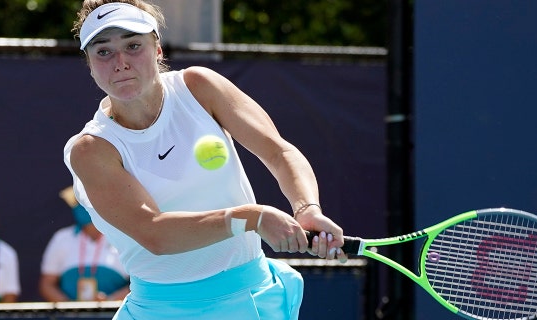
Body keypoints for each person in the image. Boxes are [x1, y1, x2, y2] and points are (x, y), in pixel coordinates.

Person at [64, 1, 347, 319]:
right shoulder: (91, 149)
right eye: (103, 52)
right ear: (88, 63)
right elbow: (153, 233)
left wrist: (307, 208)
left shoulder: (199, 87)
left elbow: (279, 152)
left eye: (133, 46)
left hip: (252, 296)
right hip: (162, 310)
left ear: (157, 49)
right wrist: (251, 218)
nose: (120, 63)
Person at [39, 186, 130, 302]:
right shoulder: (61, 238)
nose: (85, 207)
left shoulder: (123, 237)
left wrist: (109, 301)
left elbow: (139, 283)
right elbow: (47, 284)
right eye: (80, 202)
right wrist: (71, 310)